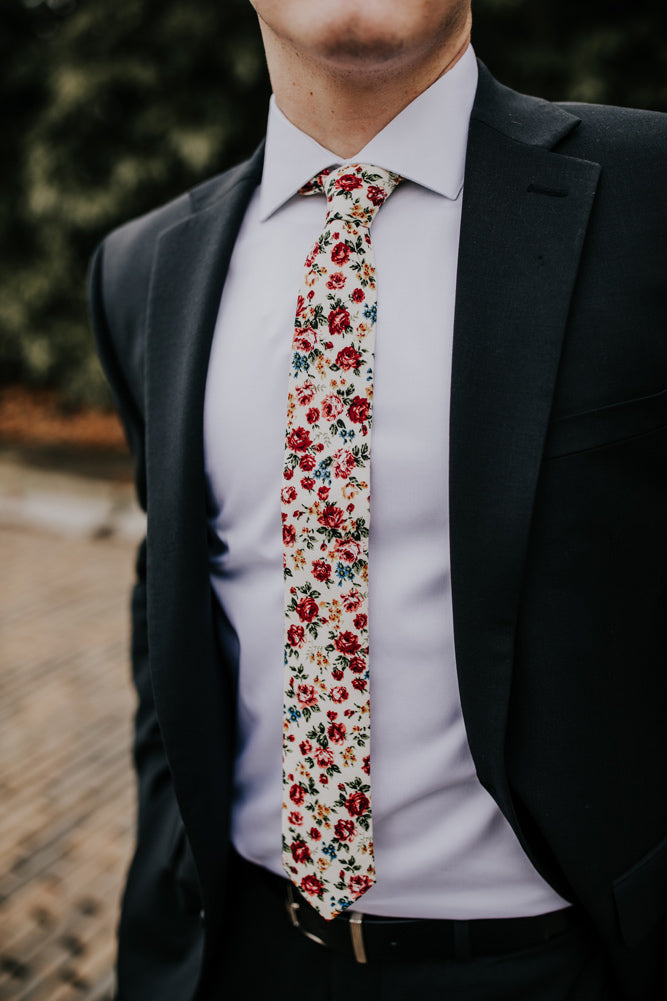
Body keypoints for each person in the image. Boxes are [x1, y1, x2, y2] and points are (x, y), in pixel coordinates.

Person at [88, 2, 667, 999]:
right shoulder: (143, 268)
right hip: (244, 959)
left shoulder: (650, 193)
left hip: (568, 960)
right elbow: (171, 622)